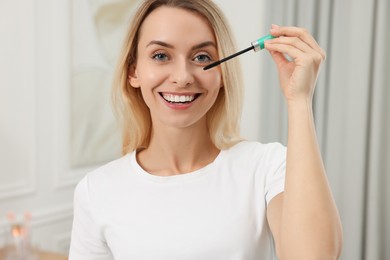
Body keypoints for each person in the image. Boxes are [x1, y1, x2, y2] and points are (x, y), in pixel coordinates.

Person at [69, 0, 343, 259]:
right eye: (161, 55)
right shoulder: (96, 191)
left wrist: (299, 101)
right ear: (134, 72)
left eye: (201, 57)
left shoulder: (266, 167)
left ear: (222, 74)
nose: (183, 77)